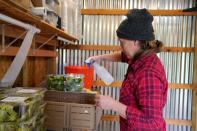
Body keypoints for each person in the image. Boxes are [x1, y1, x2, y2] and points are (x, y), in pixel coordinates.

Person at [86, 8, 168, 131]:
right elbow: (123, 55)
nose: (121, 47)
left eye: (122, 42)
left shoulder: (148, 75)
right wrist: (98, 58)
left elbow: (153, 123)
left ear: (135, 41)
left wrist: (112, 104)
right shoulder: (140, 55)